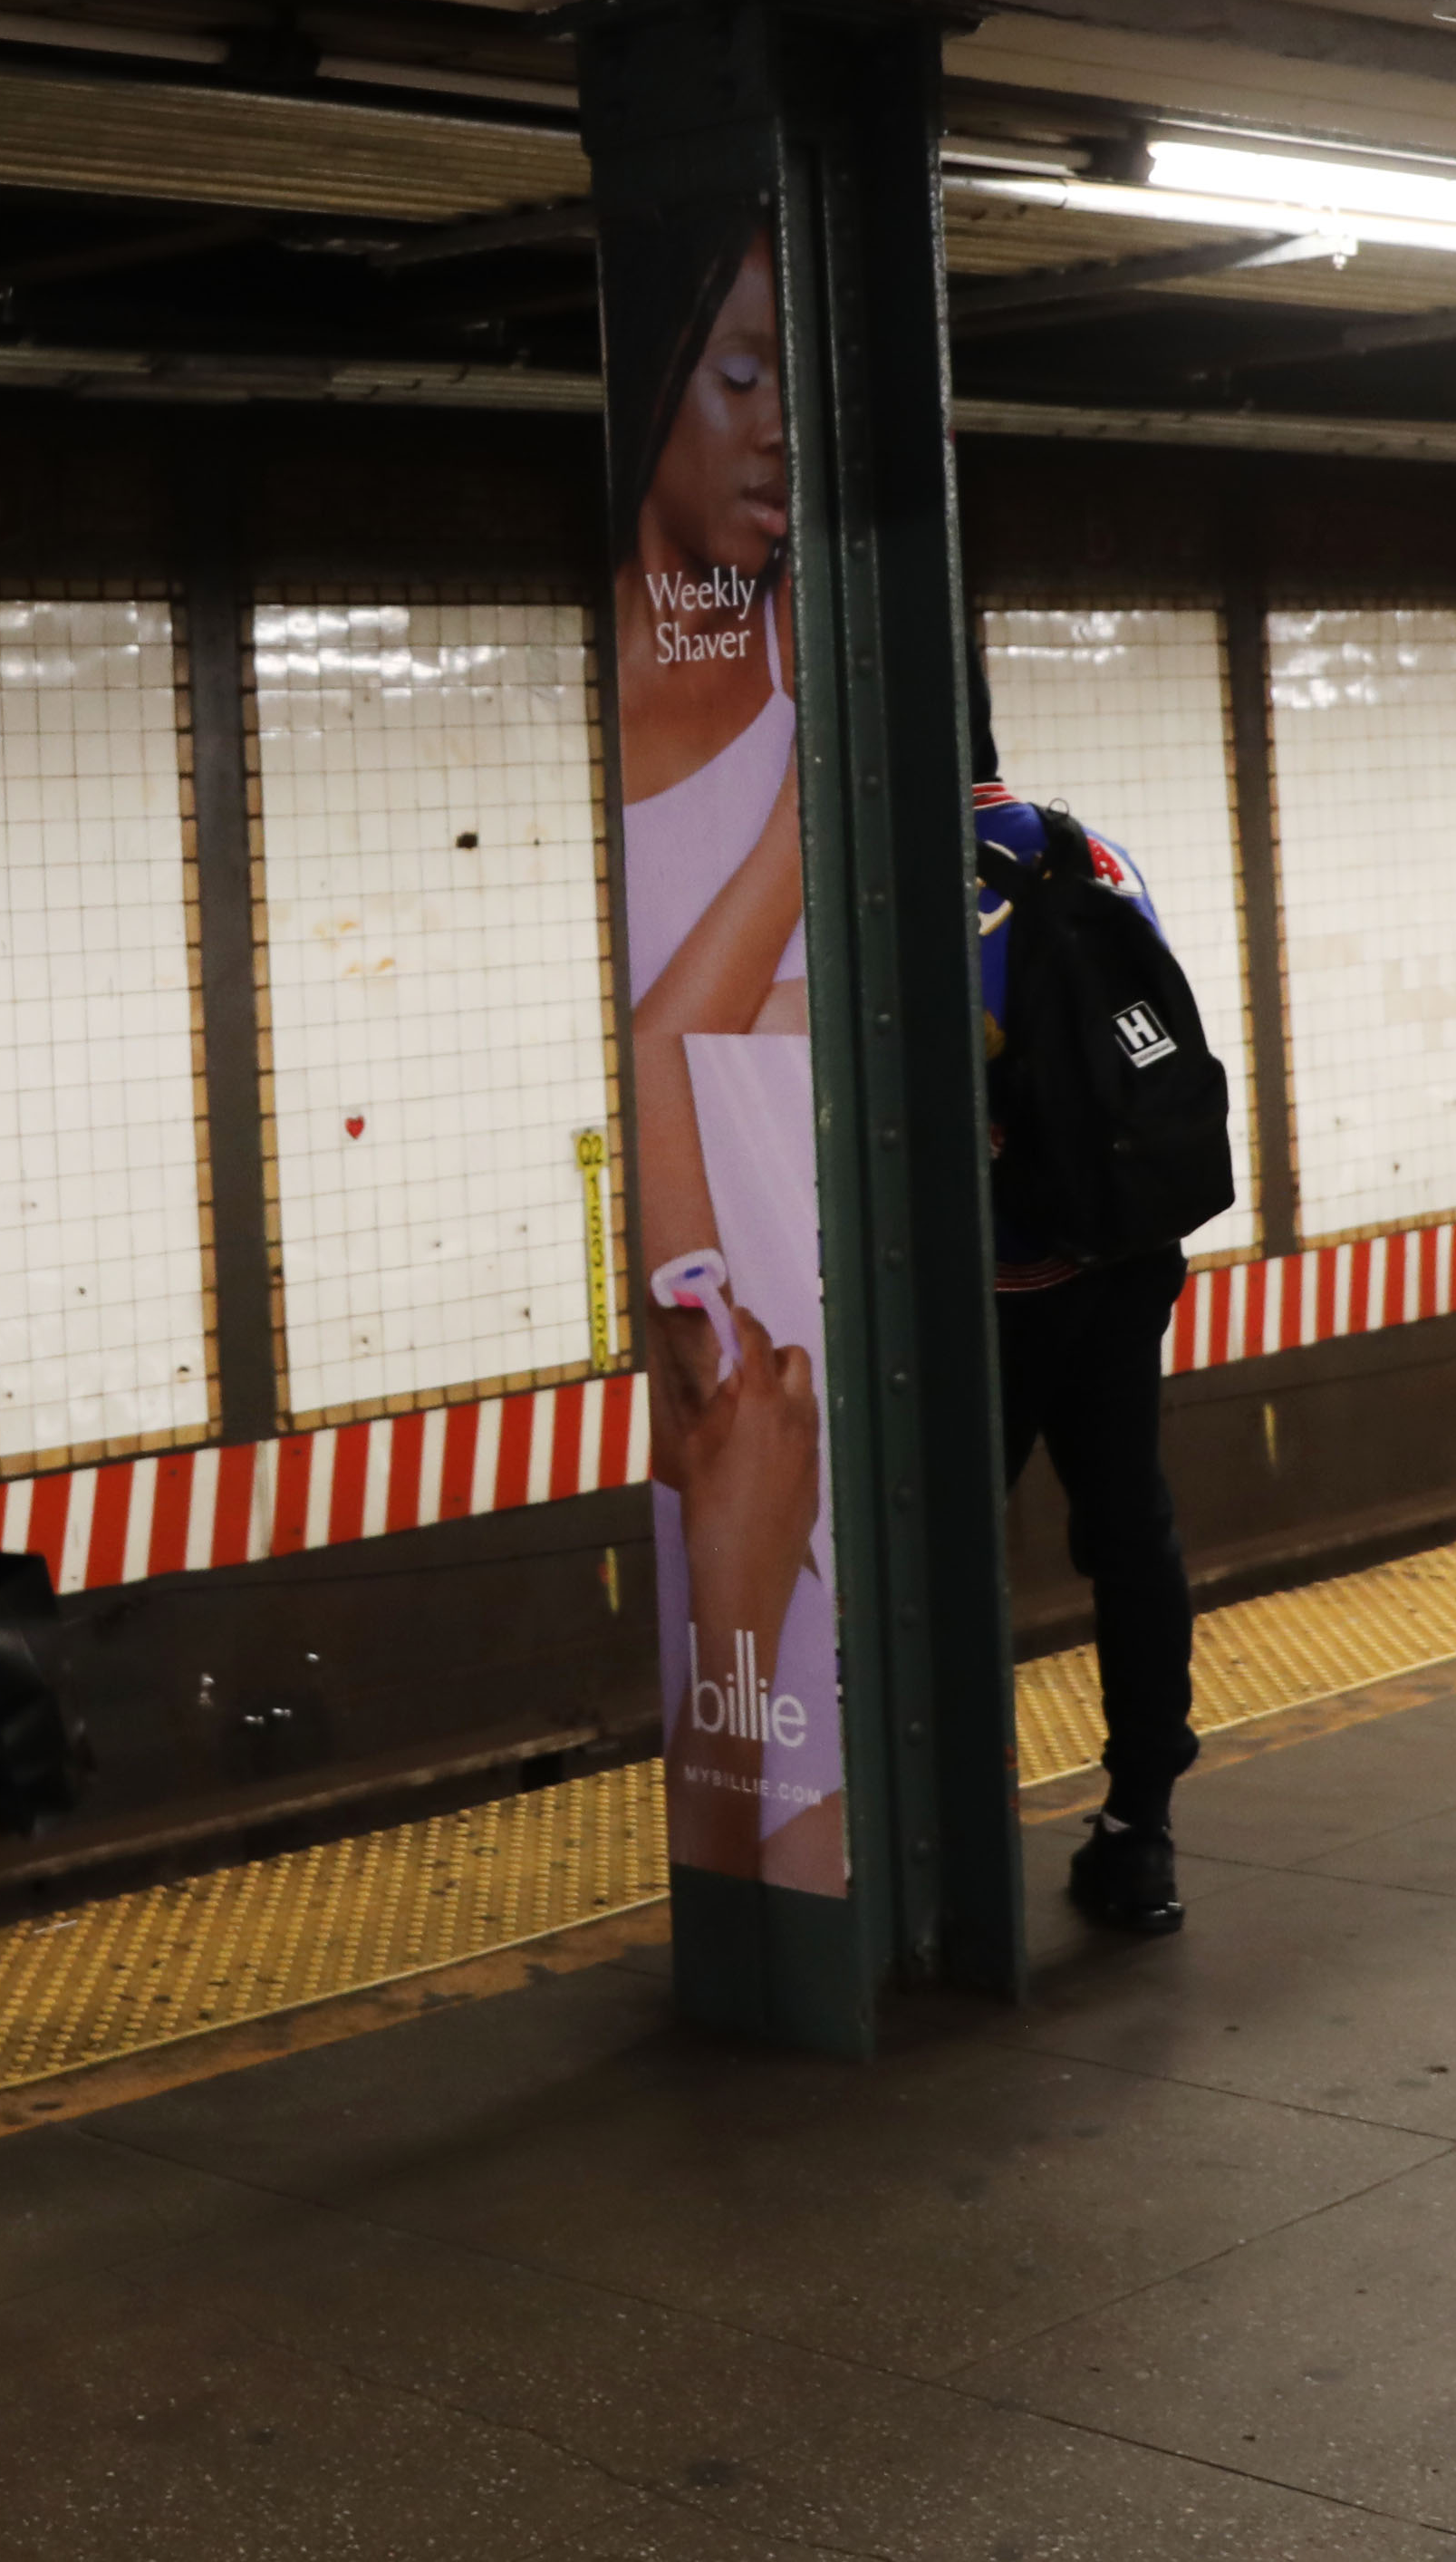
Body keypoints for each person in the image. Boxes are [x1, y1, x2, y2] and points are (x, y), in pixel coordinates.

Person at [608, 218, 842, 1896]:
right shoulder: (693, 680)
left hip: (791, 1331)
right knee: (766, 1831)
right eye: (739, 373)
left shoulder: (792, 633)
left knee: (812, 1823)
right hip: (761, 1360)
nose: (774, 426)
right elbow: (663, 1041)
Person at [972, 749, 1200, 1939]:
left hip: (998, 1281)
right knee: (1130, 1529)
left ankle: (942, 1839)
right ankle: (1141, 1827)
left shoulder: (902, 888)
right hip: (1121, 1259)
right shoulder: (1094, 853)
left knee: (947, 1561)